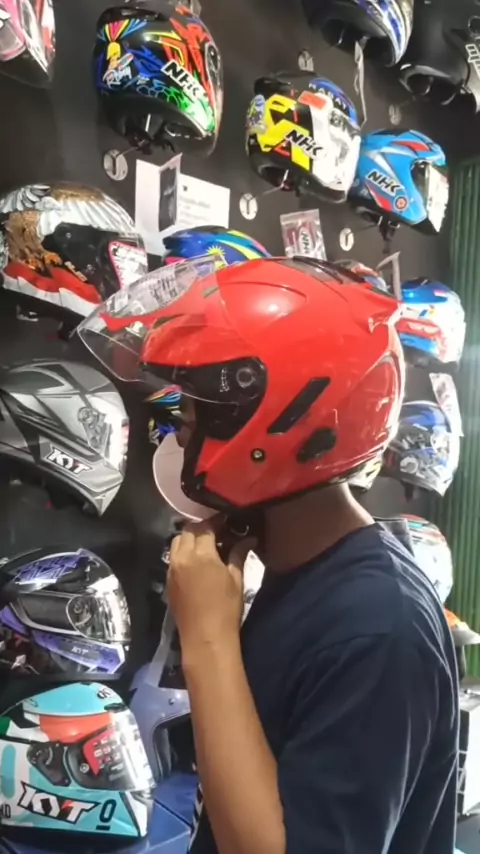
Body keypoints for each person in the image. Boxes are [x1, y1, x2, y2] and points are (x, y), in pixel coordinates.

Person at [83, 256, 459, 854]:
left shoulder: (378, 627)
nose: (179, 432)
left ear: (270, 429)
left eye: (193, 413)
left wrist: (208, 639)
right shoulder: (302, 570)